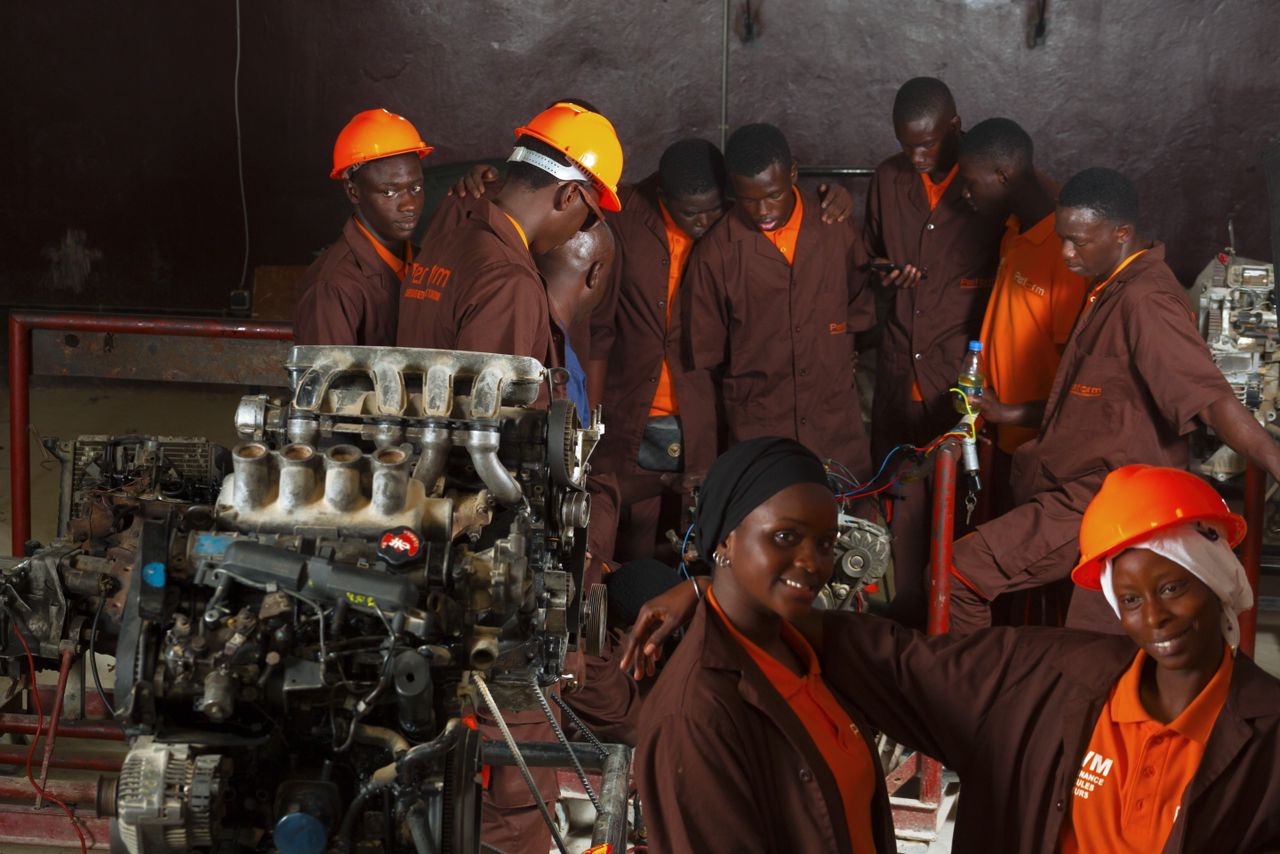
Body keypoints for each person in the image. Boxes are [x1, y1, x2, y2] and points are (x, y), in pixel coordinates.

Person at [625, 464, 1280, 852]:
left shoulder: (1267, 731)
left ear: (1216, 581)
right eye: (1131, 599)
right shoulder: (1051, 681)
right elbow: (894, 660)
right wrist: (718, 590)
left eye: (1174, 588)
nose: (1155, 618)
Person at [952, 167, 1280, 632]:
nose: (1066, 253)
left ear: (1121, 233)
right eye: (1063, 239)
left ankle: (965, 679)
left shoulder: (1146, 301)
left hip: (1103, 499)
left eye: (1078, 242)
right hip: (1071, 490)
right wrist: (1007, 412)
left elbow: (1210, 399)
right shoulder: (1108, 285)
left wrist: (1275, 459)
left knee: (957, 574)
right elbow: (1095, 403)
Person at [634, 437, 894, 854]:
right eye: (786, 536)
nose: (812, 563)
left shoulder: (807, 652)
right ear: (725, 540)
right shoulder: (695, 718)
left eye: (825, 544)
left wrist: (701, 587)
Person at [862, 78, 1004, 626]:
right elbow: (870, 257)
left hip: (959, 379)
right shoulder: (888, 179)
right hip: (900, 375)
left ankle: (948, 630)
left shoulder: (984, 185)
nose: (917, 157)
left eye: (926, 144)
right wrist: (885, 273)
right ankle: (905, 626)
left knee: (957, 513)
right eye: (906, 146)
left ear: (955, 126)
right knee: (900, 508)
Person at [684, 123, 874, 485]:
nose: (763, 210)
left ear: (793, 174)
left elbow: (859, 307)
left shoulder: (834, 225)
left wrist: (841, 351)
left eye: (773, 194)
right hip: (760, 431)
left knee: (851, 517)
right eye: (748, 199)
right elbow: (705, 360)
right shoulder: (716, 254)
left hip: (835, 427)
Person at [394, 102, 622, 364]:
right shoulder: (510, 280)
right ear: (569, 195)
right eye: (590, 216)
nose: (577, 232)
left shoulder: (442, 245)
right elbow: (493, 392)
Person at [957, 117, 1087, 456]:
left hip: (1039, 446)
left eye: (970, 182)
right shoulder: (1015, 230)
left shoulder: (1064, 252)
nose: (965, 193)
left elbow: (1074, 375)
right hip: (1004, 435)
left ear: (1002, 176)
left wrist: (1009, 413)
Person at [294, 108, 431, 346]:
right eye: (389, 192)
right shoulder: (332, 286)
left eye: (415, 188)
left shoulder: (425, 263)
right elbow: (328, 371)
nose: (409, 205)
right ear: (353, 192)